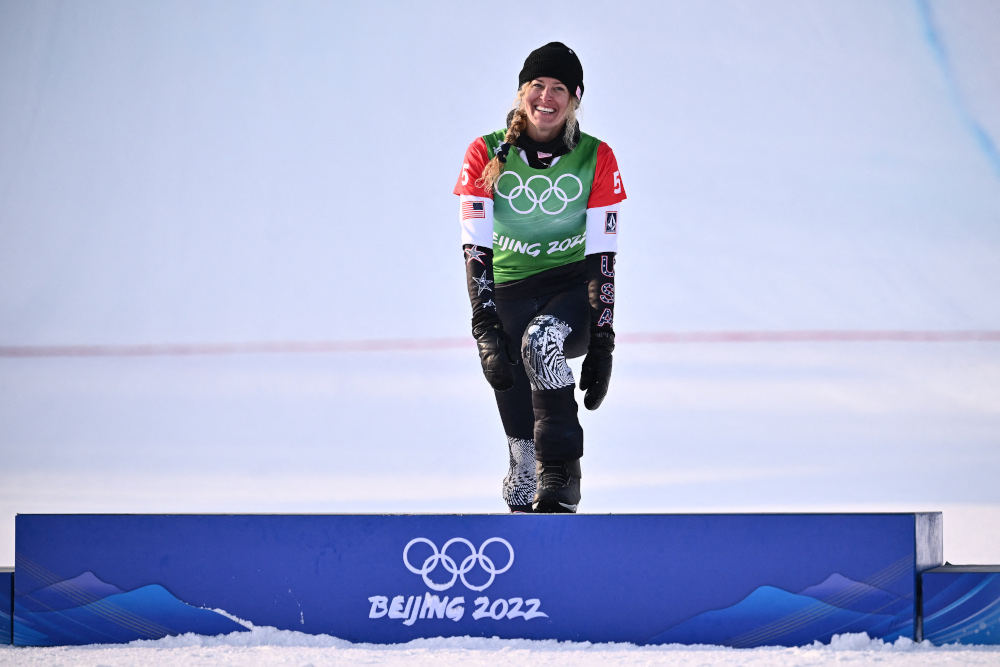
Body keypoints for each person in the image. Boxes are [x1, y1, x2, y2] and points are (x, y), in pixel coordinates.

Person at [453, 42, 626, 514]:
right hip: (507, 293)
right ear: (521, 92)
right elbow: (476, 250)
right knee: (521, 467)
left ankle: (562, 473)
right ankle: (528, 476)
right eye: (537, 86)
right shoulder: (485, 152)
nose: (546, 98)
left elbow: (603, 258)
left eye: (559, 89)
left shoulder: (597, 157)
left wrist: (603, 340)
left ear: (574, 99)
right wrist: (484, 325)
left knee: (542, 338)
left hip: (570, 291)